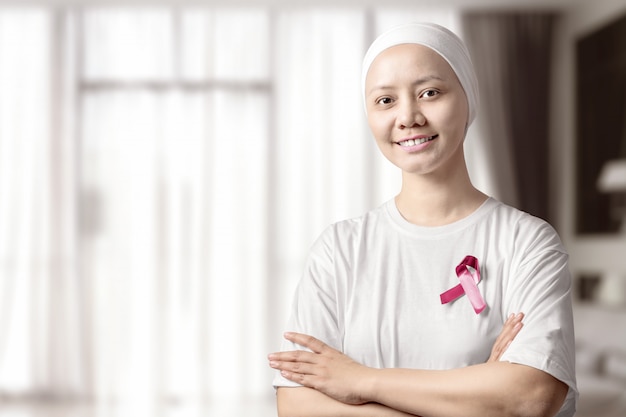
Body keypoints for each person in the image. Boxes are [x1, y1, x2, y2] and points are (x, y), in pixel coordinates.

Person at [268, 22, 577, 417]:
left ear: (468, 97)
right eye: (385, 101)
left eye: (430, 93)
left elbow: (531, 396)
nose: (408, 116)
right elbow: (297, 405)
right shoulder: (339, 249)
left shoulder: (527, 242)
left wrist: (359, 381)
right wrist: (479, 390)